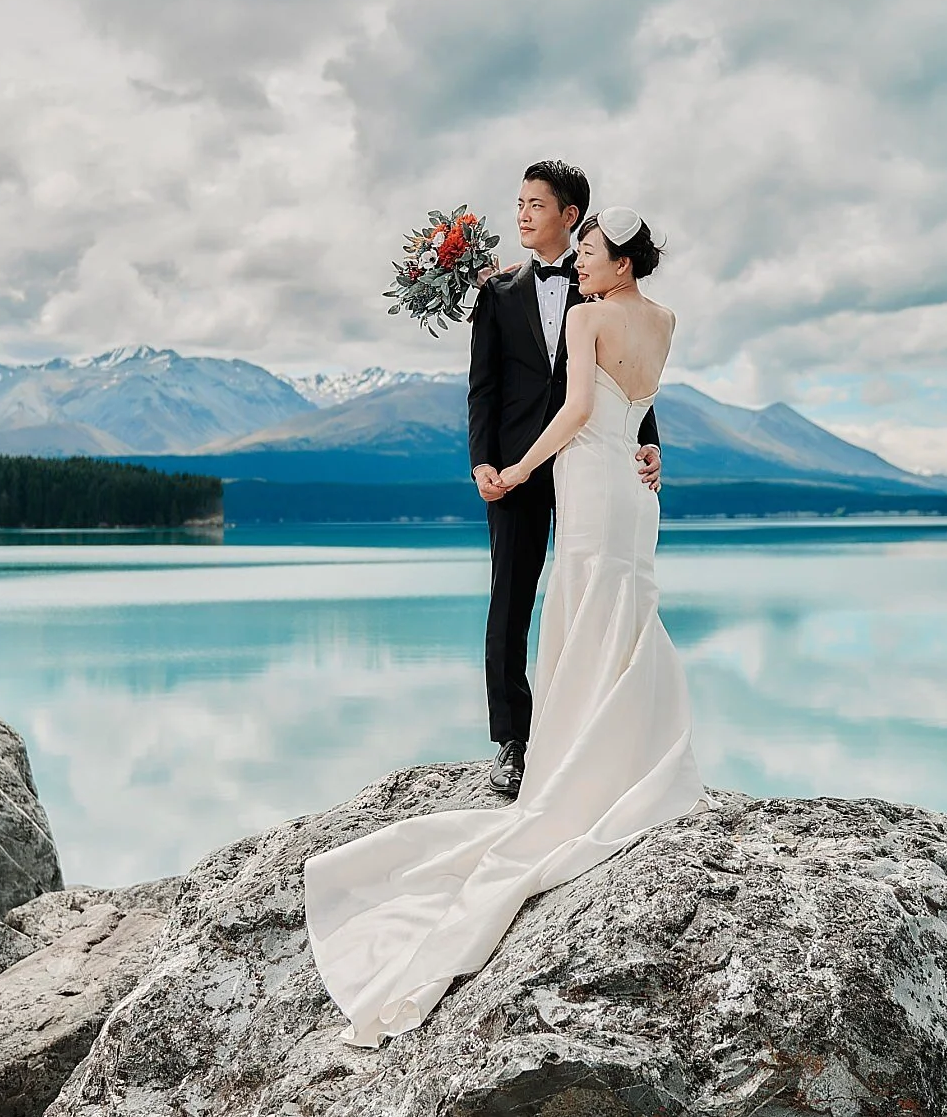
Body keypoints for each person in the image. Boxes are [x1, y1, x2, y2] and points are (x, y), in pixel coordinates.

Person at [302, 205, 707, 1048]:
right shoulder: (665, 320)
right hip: (637, 494)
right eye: (579, 252)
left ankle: (572, 765)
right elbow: (639, 408)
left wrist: (520, 468)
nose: (581, 262)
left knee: (585, 610)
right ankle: (630, 756)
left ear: (621, 263)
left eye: (590, 252)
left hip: (590, 481)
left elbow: (577, 408)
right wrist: (650, 450)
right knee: (623, 611)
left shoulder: (589, 317)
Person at [464, 160, 661, 796]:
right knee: (510, 599)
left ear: (570, 216)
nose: (522, 215)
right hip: (515, 467)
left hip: (593, 463)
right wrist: (483, 462)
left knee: (589, 594)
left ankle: (588, 732)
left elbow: (628, 373)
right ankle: (512, 742)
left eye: (536, 204)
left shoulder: (599, 281)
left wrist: (648, 441)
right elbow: (483, 387)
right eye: (519, 203)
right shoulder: (496, 293)